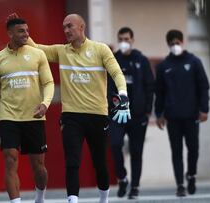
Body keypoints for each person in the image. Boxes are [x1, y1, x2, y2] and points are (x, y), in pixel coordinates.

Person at [8, 13, 130, 203]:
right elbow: (36, 48)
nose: (66, 30)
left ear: (82, 27)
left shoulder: (100, 50)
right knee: (72, 162)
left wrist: (123, 94)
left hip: (98, 115)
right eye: (64, 27)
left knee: (100, 164)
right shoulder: (61, 51)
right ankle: (72, 200)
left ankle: (103, 199)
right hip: (71, 116)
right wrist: (23, 33)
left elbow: (116, 73)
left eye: (70, 26)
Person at [0, 18, 54, 203]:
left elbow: (48, 83)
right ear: (10, 34)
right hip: (8, 117)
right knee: (10, 160)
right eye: (21, 31)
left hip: (34, 116)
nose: (26, 34)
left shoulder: (38, 54)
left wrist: (45, 104)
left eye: (27, 30)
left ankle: (40, 198)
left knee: (39, 166)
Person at [155, 29, 210, 197]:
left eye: (177, 43)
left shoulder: (194, 62)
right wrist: (159, 114)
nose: (174, 46)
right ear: (168, 45)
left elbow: (204, 87)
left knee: (193, 149)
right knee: (176, 152)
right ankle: (180, 185)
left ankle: (191, 175)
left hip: (192, 115)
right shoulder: (164, 66)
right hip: (173, 117)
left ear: (182, 42)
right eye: (171, 44)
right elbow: (160, 92)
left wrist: (204, 109)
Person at [107, 27, 154, 199]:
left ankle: (134, 187)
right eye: (121, 39)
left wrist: (148, 110)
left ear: (132, 40)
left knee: (136, 151)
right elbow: (107, 85)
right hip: (117, 113)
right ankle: (122, 178)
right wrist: (108, 108)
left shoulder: (141, 60)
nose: (123, 42)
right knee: (115, 145)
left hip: (138, 115)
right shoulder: (114, 59)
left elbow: (150, 86)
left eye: (126, 39)